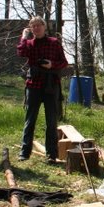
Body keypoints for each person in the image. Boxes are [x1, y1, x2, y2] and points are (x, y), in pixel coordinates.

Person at [17, 16, 69, 162]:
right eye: (33, 26)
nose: (36, 28)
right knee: (30, 119)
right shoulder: (29, 44)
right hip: (33, 84)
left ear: (44, 27)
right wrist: (23, 37)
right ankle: (24, 152)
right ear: (31, 29)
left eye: (39, 25)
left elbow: (63, 62)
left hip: (51, 85)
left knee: (51, 121)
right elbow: (20, 52)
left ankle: (51, 154)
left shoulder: (54, 42)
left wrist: (51, 65)